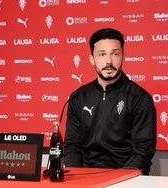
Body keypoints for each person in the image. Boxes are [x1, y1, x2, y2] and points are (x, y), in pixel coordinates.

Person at [64, 28, 156, 175]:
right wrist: (77, 177)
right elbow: (72, 146)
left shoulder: (140, 98)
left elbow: (143, 151)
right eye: (102, 54)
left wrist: (118, 179)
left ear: (123, 57)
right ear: (91, 59)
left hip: (126, 179)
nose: (109, 61)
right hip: (86, 177)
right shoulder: (78, 97)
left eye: (115, 54)